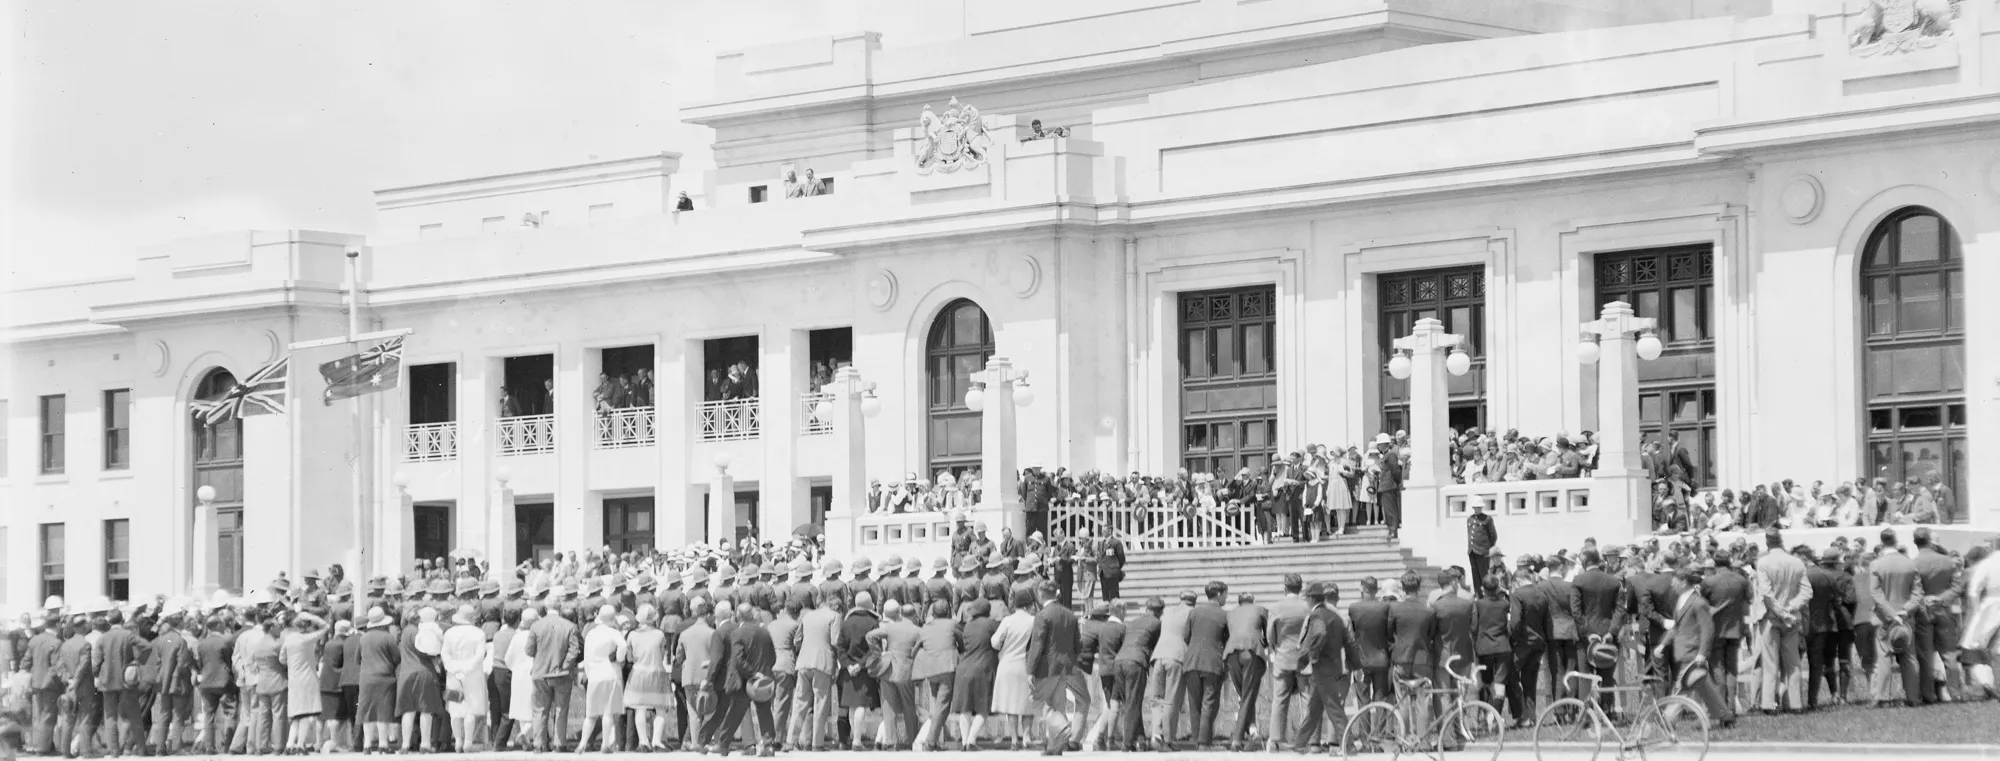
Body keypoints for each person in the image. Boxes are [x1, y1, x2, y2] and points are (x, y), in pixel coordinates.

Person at [1294, 581, 1360, 752]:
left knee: (1334, 709)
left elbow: (1320, 634)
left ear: (1310, 598)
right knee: (1314, 709)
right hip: (1335, 668)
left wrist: (1310, 658)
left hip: (1322, 669)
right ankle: (1299, 744)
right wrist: (1355, 664)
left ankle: (1349, 746)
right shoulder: (1335, 616)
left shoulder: (1317, 616)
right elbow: (1350, 643)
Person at [1753, 528, 1812, 713]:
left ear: (1767, 542)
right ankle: (1796, 704)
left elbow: (1766, 594)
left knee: (1771, 665)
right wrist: (1791, 608)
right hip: (1791, 618)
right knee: (1793, 663)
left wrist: (1781, 612)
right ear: (1781, 540)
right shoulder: (1796, 562)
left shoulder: (1763, 562)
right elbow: (1807, 592)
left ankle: (1770, 705)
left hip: (1771, 617)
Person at [1668, 568, 1736, 728]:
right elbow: (1677, 627)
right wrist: (1663, 645)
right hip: (1685, 650)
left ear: (1684, 582)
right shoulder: (1682, 600)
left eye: (1675, 580)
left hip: (1692, 652)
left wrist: (1702, 653)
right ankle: (1724, 715)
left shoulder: (1698, 603)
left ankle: (1668, 718)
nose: (1672, 584)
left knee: (1682, 685)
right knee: (1704, 685)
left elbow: (1708, 629)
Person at [1027, 580, 1080, 756]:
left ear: (1041, 595)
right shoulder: (1070, 615)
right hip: (1065, 666)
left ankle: (1063, 728)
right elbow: (1077, 644)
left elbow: (1037, 645)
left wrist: (1030, 670)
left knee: (1036, 701)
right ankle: (1055, 747)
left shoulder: (1042, 616)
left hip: (1047, 667)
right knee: (1057, 706)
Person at [1870, 530, 1922, 706]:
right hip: (1906, 619)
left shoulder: (1876, 565)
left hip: (1884, 619)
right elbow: (1918, 593)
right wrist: (1905, 611)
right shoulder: (1909, 564)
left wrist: (1891, 614)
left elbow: (1875, 594)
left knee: (1884, 657)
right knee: (1909, 657)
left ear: (1882, 542)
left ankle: (1882, 697)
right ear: (1896, 540)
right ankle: (1913, 697)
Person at [525, 598, 582, 752]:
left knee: (540, 710)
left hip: (540, 673)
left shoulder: (536, 626)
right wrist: (565, 665)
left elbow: (529, 650)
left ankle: (538, 744)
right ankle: (559, 743)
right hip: (561, 674)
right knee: (561, 709)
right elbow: (574, 650)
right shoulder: (570, 626)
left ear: (545, 608)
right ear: (560, 608)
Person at [1804, 547, 1856, 709]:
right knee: (1845, 660)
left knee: (1827, 661)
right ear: (1836, 563)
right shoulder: (1845, 576)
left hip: (1826, 624)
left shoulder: (1814, 575)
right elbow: (1851, 598)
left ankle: (1831, 693)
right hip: (1843, 622)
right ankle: (1842, 696)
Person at [866, 599, 922, 751]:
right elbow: (920, 649)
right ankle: (913, 741)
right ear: (914, 615)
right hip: (906, 672)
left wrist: (879, 653)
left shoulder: (891, 628)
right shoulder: (917, 630)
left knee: (888, 708)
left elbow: (870, 636)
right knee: (909, 708)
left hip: (888, 671)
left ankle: (890, 742)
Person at [1181, 582, 1229, 751]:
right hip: (1212, 663)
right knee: (1209, 702)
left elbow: (1186, 636)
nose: (1226, 598)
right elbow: (1227, 640)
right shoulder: (1224, 615)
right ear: (1219, 594)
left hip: (1191, 662)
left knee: (1194, 702)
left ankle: (1196, 739)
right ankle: (1204, 742)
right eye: (1225, 594)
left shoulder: (1194, 612)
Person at [789, 589, 839, 752]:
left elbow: (797, 640)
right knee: (820, 703)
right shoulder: (834, 616)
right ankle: (817, 743)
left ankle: (791, 740)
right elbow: (835, 641)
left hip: (804, 661)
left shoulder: (808, 616)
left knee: (800, 704)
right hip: (823, 662)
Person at [1220, 589, 1266, 751]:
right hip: (1251, 651)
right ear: (1252, 601)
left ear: (1239, 602)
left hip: (1231, 654)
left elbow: (1226, 635)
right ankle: (1237, 739)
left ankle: (1253, 732)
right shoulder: (1260, 610)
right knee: (1248, 696)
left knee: (1245, 695)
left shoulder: (1230, 613)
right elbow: (1267, 636)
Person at [952, 599, 1001, 751]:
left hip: (964, 669)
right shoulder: (992, 624)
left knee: (965, 708)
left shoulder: (967, 626)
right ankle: (971, 741)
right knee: (982, 708)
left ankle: (964, 742)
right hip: (983, 668)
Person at [991, 587, 1036, 750]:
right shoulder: (1033, 621)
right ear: (1026, 606)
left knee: (1011, 704)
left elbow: (995, 642)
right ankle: (1027, 737)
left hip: (1008, 665)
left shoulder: (1007, 621)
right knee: (1027, 704)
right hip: (1026, 666)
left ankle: (1014, 739)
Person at [910, 599, 959, 752]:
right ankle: (930, 742)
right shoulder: (952, 624)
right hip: (947, 667)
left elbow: (914, 649)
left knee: (938, 705)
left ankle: (936, 740)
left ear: (933, 613)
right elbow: (963, 643)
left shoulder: (925, 627)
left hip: (930, 669)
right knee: (942, 706)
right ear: (947, 611)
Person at [441, 605, 490, 752]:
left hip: (453, 674)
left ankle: (458, 741)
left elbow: (445, 654)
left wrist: (454, 668)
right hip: (472, 675)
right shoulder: (478, 633)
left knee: (455, 709)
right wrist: (467, 669)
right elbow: (480, 655)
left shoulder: (449, 633)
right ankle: (468, 741)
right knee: (470, 709)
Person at [579, 606, 627, 752]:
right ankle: (605, 744)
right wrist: (619, 658)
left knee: (591, 714)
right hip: (611, 673)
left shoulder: (591, 634)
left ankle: (582, 743)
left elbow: (586, 657)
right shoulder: (614, 633)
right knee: (608, 712)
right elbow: (623, 645)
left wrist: (589, 672)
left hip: (594, 675)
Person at [281, 611, 330, 753]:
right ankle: (300, 745)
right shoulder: (308, 639)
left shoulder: (289, 639)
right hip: (308, 678)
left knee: (296, 714)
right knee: (305, 713)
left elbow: (282, 659)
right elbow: (325, 626)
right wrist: (308, 615)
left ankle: (290, 744)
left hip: (294, 679)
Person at [626, 605, 674, 751]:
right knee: (660, 709)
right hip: (656, 672)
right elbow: (662, 653)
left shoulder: (632, 635)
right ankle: (657, 741)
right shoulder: (659, 635)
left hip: (638, 673)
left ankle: (643, 742)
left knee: (639, 709)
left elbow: (629, 657)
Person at [354, 609, 399, 754]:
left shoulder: (363, 638)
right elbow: (397, 658)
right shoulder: (388, 637)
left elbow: (357, 660)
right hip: (385, 678)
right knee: (383, 711)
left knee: (367, 711)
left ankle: (367, 745)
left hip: (366, 678)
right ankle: (383, 744)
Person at [1466, 497, 1499, 595]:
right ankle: (1478, 593)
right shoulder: (1470, 519)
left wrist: (1488, 548)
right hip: (1472, 550)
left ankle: (1486, 593)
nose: (1478, 509)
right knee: (1475, 574)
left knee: (1484, 573)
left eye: (1479, 507)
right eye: (1476, 507)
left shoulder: (1487, 519)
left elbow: (1493, 535)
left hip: (1483, 551)